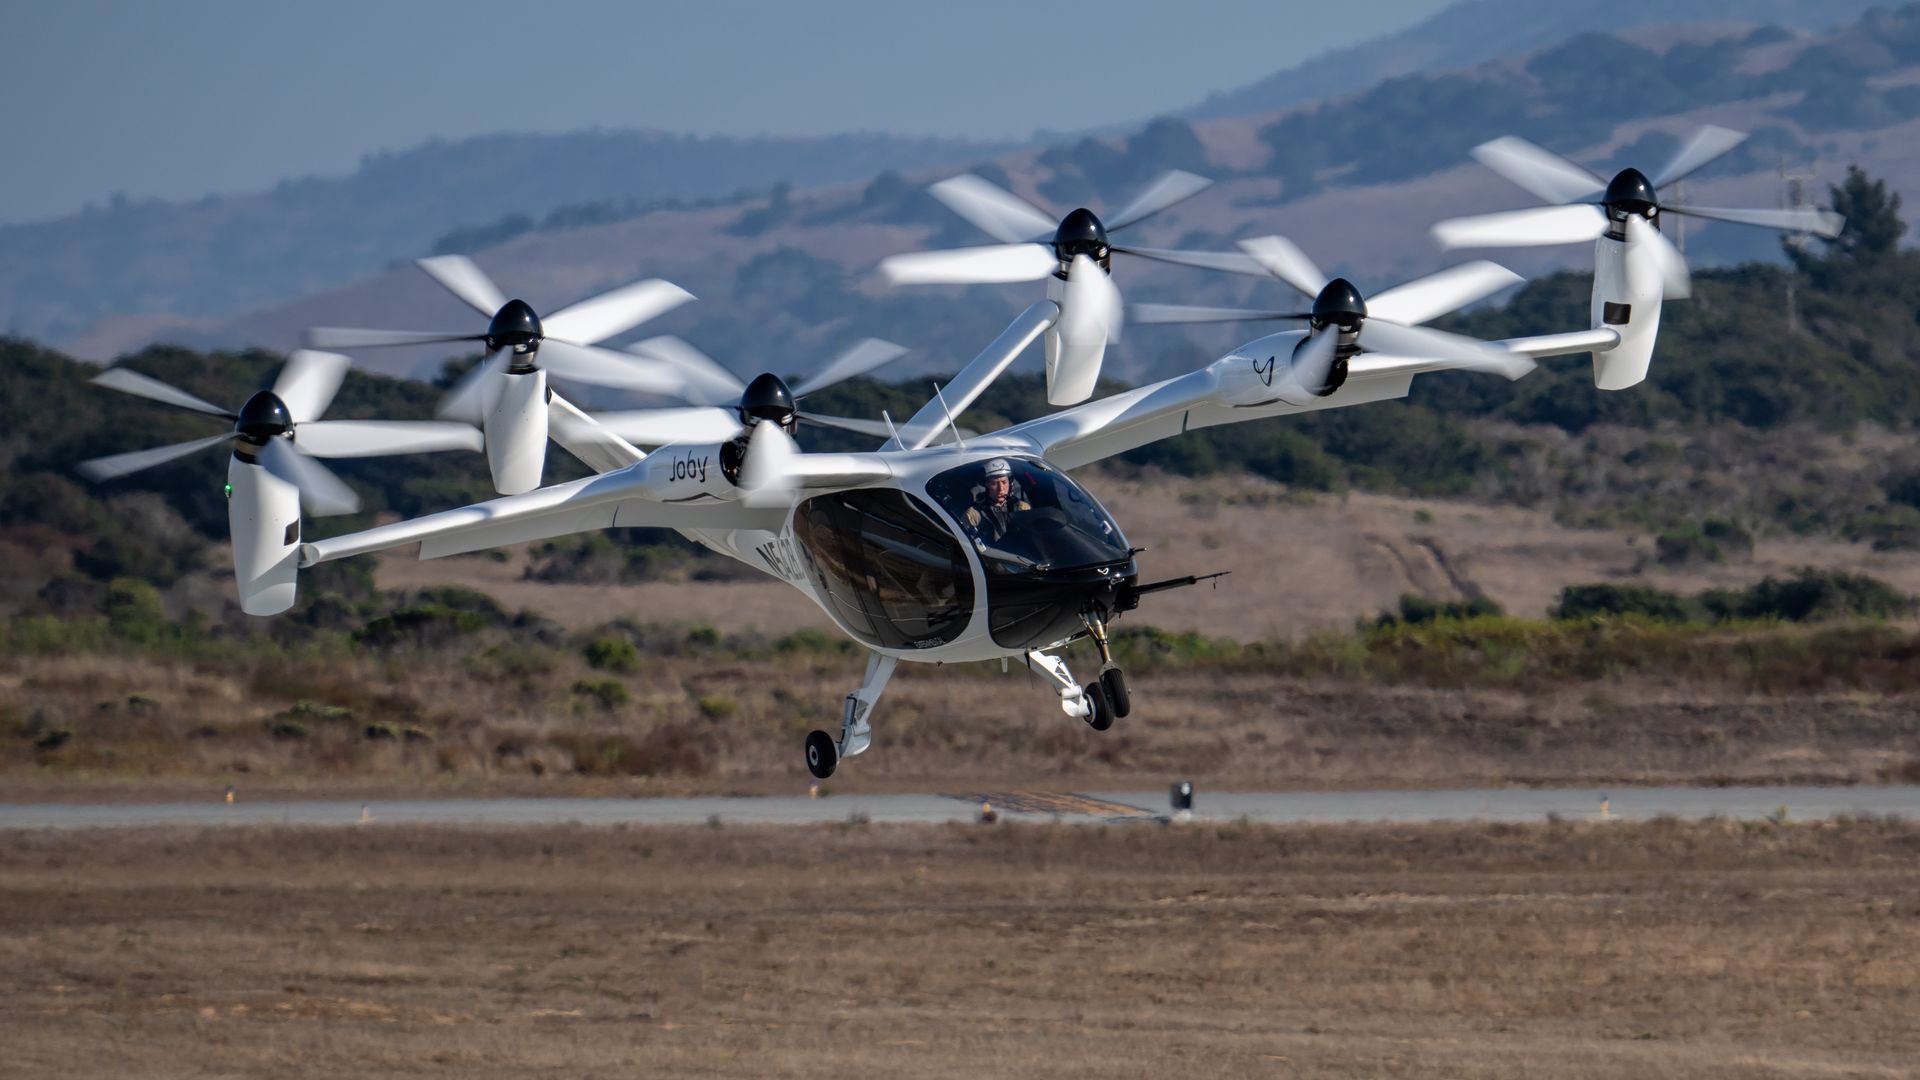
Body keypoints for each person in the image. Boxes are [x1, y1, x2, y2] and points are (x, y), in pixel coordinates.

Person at [964, 458, 1029, 541]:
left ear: (1010, 483)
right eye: (994, 483)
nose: (1001, 489)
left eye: (1004, 482)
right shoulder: (973, 514)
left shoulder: (1022, 507)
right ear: (986, 485)